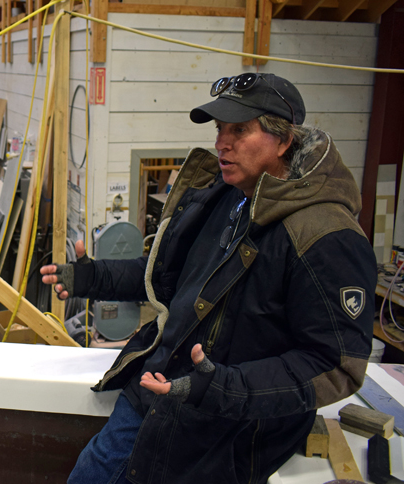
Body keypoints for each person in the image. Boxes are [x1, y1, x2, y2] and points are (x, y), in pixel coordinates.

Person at [41, 73, 376, 483]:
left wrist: (221, 387)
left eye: (239, 130)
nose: (221, 143)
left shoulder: (325, 236)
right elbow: (170, 277)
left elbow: (334, 365)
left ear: (284, 141)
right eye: (220, 128)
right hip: (158, 390)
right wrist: (91, 277)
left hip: (229, 431)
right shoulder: (225, 196)